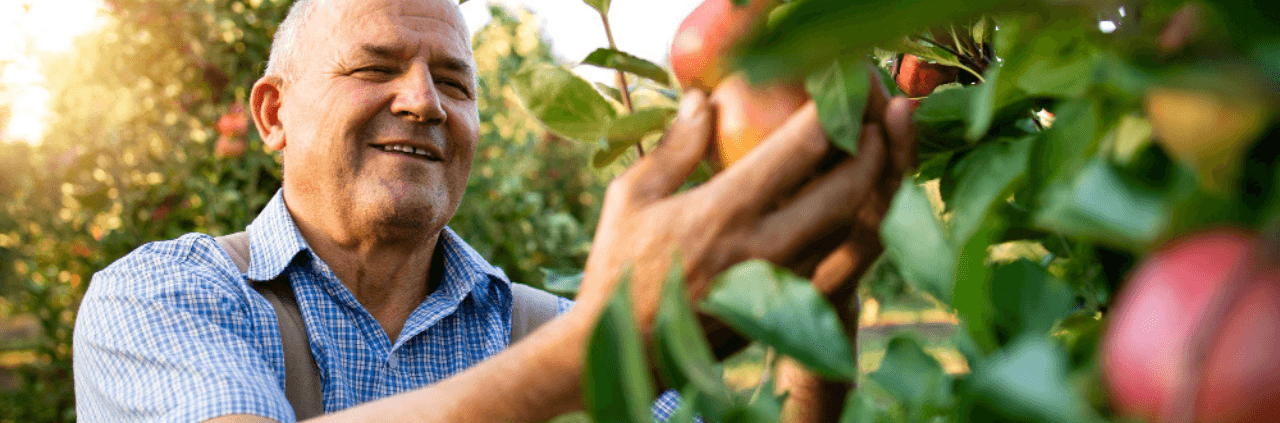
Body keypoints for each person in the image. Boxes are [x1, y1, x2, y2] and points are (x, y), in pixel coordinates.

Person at [72, 0, 918, 421]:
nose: (423, 103)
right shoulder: (162, 298)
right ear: (272, 114)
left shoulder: (538, 328)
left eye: (453, 81)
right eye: (375, 69)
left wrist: (827, 292)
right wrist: (606, 342)